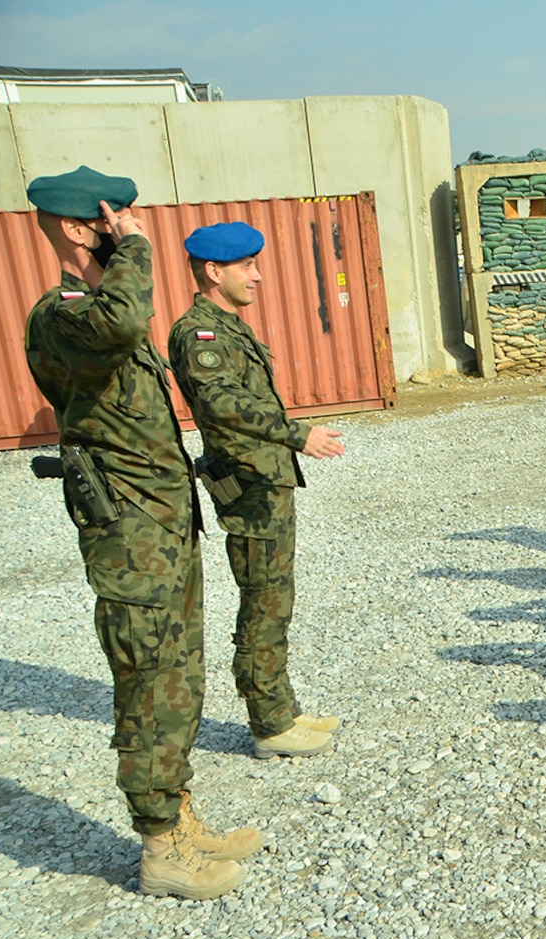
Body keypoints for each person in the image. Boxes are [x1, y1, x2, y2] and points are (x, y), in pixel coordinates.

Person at [22, 167, 254, 900]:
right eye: (113, 217)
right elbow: (122, 323)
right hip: (128, 536)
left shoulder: (99, 308)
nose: (127, 226)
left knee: (179, 677)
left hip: (160, 526)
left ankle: (179, 817)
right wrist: (136, 251)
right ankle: (159, 847)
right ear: (75, 226)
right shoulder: (66, 315)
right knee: (150, 681)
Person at [168, 222, 346, 760]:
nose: (259, 276)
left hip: (267, 482)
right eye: (247, 266)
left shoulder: (227, 326)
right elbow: (222, 404)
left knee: (277, 599)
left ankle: (282, 707)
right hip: (247, 486)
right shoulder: (198, 334)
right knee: (263, 603)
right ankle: (268, 724)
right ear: (213, 271)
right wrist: (299, 435)